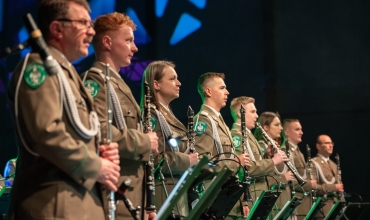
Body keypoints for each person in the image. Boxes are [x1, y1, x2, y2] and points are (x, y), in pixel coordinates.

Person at [6, 0, 120, 219]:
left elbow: (77, 132)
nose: (91, 31)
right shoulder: (38, 67)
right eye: (83, 23)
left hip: (77, 202)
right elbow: (47, 133)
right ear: (57, 28)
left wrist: (99, 151)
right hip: (55, 205)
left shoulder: (65, 73)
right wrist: (95, 164)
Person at [83, 12, 159, 220]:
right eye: (128, 40)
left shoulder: (117, 82)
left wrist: (146, 204)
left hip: (133, 194)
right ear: (107, 42)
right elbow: (98, 132)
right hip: (114, 193)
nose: (134, 47)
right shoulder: (95, 82)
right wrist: (144, 141)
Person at [139, 60, 199, 218]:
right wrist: (187, 160)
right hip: (163, 195)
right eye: (172, 79)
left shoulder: (167, 116)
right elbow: (154, 159)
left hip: (177, 193)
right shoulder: (151, 115)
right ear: (156, 84)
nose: (178, 83)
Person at [194, 73, 251, 220]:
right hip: (213, 200)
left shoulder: (220, 121)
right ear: (208, 91)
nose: (227, 92)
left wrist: (242, 200)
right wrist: (235, 162)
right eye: (222, 88)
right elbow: (202, 163)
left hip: (227, 198)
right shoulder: (203, 121)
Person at [230, 97, 288, 219]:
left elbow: (255, 162)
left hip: (259, 194)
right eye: (252, 112)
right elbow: (245, 169)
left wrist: (267, 155)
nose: (256, 116)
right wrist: (273, 161)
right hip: (251, 196)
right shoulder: (237, 135)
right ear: (240, 114)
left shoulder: (248, 135)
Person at [254, 112, 295, 218]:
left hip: (279, 202)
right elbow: (260, 176)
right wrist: (283, 178)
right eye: (276, 125)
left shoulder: (274, 148)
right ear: (266, 127)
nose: (280, 128)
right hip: (270, 202)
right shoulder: (260, 147)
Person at [283, 119, 317, 220]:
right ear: (287, 132)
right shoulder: (286, 151)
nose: (301, 132)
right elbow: (290, 180)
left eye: (301, 129)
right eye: (297, 129)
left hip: (305, 205)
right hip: (298, 206)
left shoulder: (298, 152)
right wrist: (310, 184)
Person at [311, 134, 344, 218]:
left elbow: (340, 188)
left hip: (336, 209)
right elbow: (312, 187)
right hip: (323, 211)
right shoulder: (313, 163)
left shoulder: (334, 165)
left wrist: (343, 205)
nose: (331, 145)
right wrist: (333, 188)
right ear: (318, 146)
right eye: (327, 143)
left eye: (331, 143)